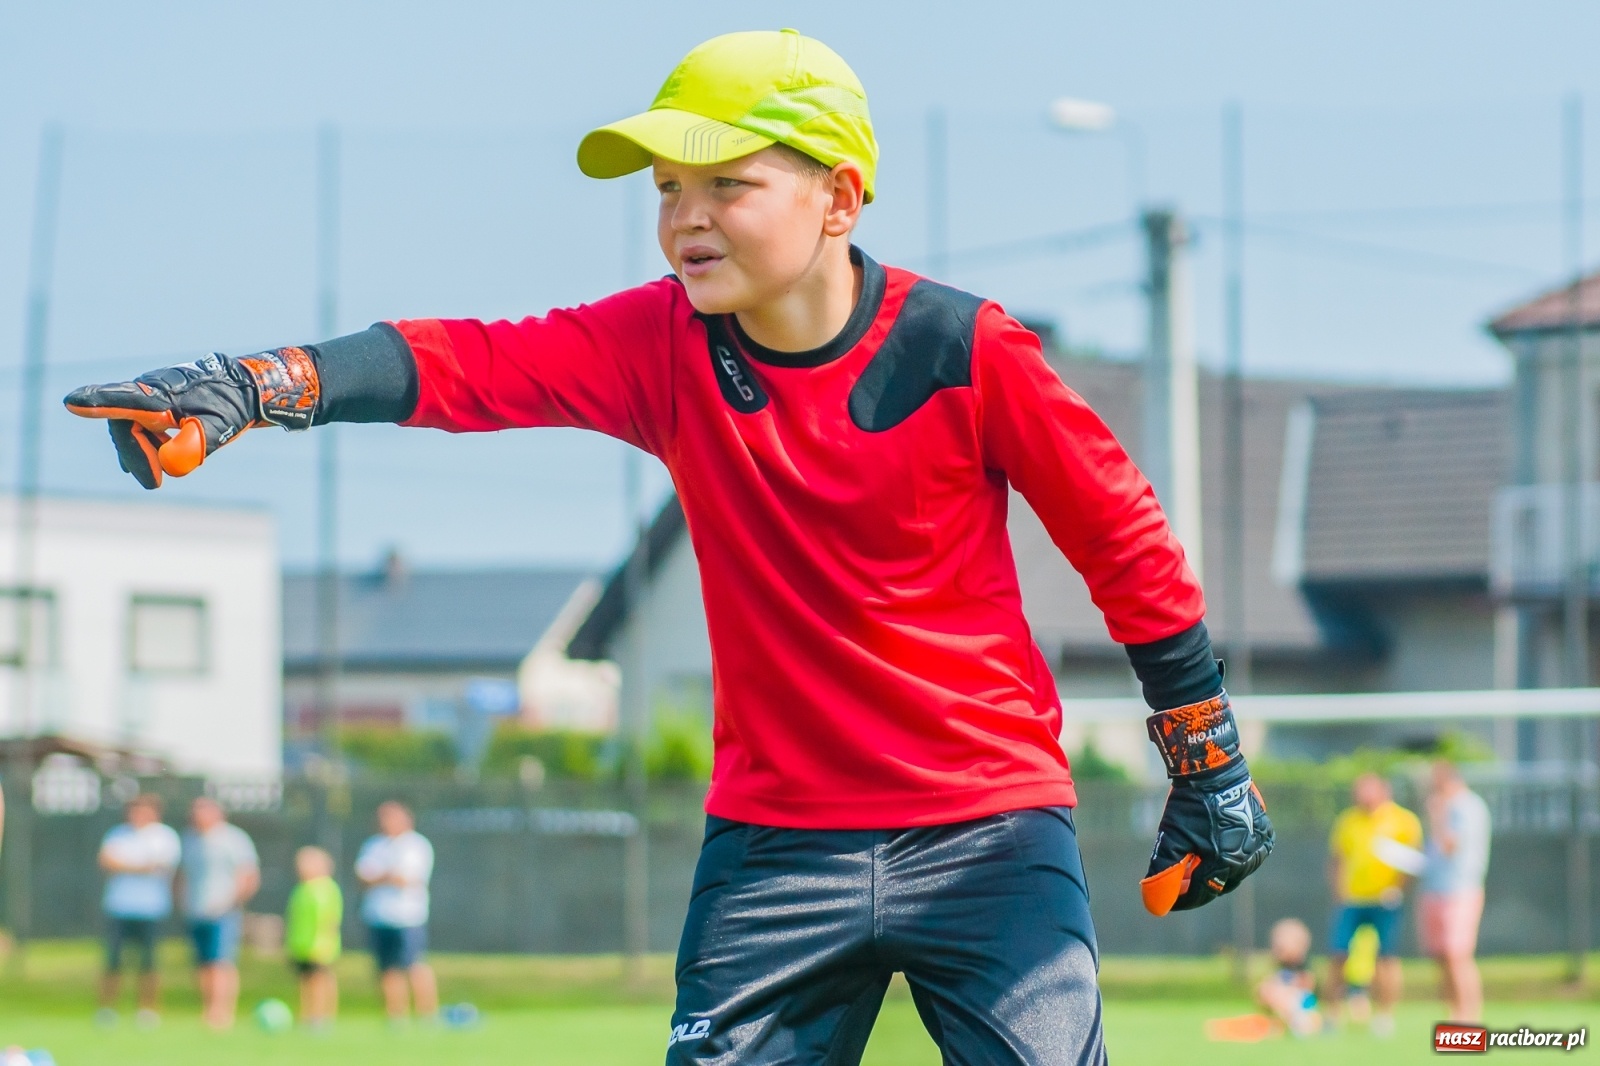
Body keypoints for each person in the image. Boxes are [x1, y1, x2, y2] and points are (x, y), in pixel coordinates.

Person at [61, 28, 1273, 1064]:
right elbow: (470, 361)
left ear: (839, 198)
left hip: (990, 834)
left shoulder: (966, 349)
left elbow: (1121, 536)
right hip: (774, 849)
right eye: (664, 189)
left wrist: (1208, 759)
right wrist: (256, 385)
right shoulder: (660, 344)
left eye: (726, 184)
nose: (684, 217)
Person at [1326, 772, 1423, 1037]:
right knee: (1338, 955)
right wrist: (1339, 892)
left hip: (1385, 901)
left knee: (1386, 958)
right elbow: (1337, 858)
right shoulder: (1347, 820)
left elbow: (1413, 860)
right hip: (1353, 900)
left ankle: (1384, 1016)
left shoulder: (1403, 820)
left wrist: (1397, 889)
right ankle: (1332, 1015)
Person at [97, 793, 181, 1028]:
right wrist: (140, 866)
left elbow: (160, 866)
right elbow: (107, 861)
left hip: (151, 909)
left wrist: (126, 865)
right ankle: (107, 1010)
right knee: (113, 961)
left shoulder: (164, 837)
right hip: (119, 907)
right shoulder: (117, 834)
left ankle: (147, 1010)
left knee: (149, 963)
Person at [177, 795, 259, 1029]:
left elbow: (248, 874)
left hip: (224, 911)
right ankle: (207, 1010)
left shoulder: (234, 839)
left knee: (221, 962)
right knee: (203, 964)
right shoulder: (189, 839)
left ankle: (222, 1012)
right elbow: (182, 874)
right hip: (196, 911)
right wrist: (182, 901)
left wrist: (231, 902)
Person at [1420, 759, 1492, 1022]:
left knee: (1457, 954)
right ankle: (1453, 1012)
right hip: (1436, 888)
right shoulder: (1447, 806)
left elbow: (1450, 846)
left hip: (1459, 890)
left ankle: (1468, 1015)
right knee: (1441, 955)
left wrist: (1437, 816)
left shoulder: (1466, 807)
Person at [354, 801, 437, 1022]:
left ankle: (426, 1013)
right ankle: (396, 1015)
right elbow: (363, 877)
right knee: (386, 968)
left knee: (414, 965)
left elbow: (407, 879)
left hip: (407, 917)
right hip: (379, 916)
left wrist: (381, 877)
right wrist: (386, 876)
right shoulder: (374, 845)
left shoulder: (416, 845)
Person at [285, 845, 343, 1030]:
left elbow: (330, 919)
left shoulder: (326, 888)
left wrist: (324, 942)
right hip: (301, 944)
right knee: (305, 980)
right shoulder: (301, 889)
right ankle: (307, 1014)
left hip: (320, 945)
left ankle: (322, 1016)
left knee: (320, 980)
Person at [1256, 918, 1322, 1037]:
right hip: (1284, 1002)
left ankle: (1298, 1023)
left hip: (1301, 1004)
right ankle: (1279, 1022)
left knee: (1283, 997)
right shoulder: (1279, 967)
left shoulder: (1303, 967)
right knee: (1266, 990)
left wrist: (1289, 987)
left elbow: (1308, 984)